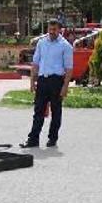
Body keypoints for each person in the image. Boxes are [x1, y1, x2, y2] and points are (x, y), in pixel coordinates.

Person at [19, 19, 73, 148]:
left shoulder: (65, 46)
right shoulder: (41, 43)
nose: (52, 32)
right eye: (50, 29)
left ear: (60, 30)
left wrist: (65, 87)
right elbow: (35, 63)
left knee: (56, 111)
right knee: (38, 111)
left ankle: (52, 138)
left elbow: (69, 68)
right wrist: (32, 81)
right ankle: (33, 139)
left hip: (56, 81)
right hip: (43, 80)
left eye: (54, 30)